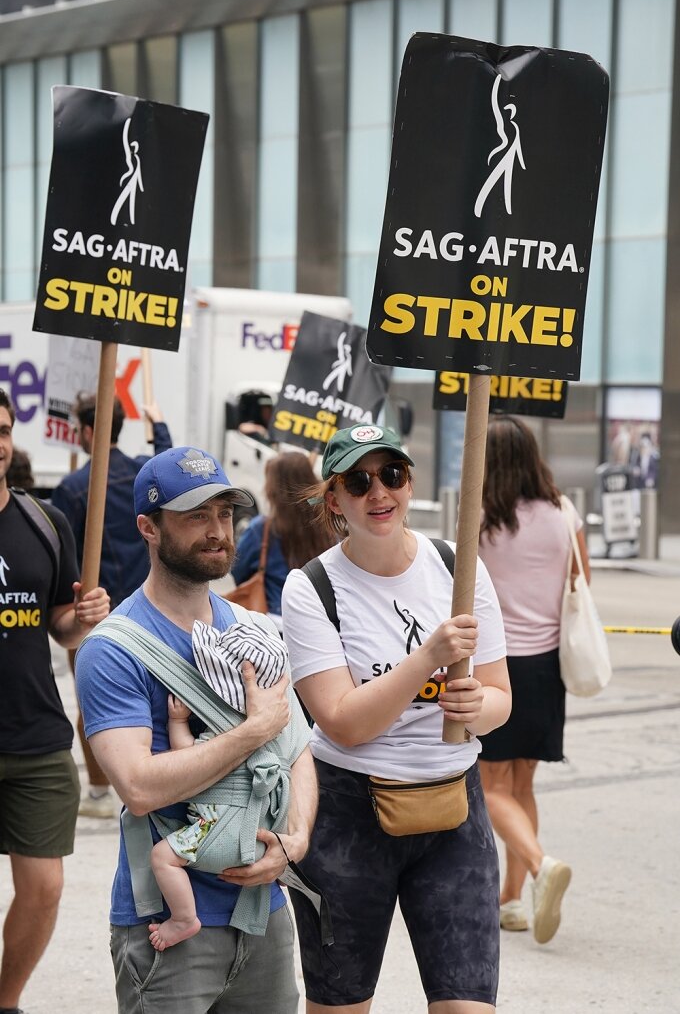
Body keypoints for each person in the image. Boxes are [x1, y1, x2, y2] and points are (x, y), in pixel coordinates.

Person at [74, 445, 317, 1014]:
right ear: (148, 528)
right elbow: (138, 786)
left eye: (225, 514)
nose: (217, 531)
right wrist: (252, 730)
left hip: (264, 914)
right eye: (195, 516)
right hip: (165, 926)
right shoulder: (112, 649)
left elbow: (297, 748)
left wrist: (296, 839)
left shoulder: (255, 629)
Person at [281, 423, 511, 1013]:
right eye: (358, 481)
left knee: (468, 1007)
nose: (378, 492)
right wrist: (427, 659)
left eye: (392, 475)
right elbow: (342, 721)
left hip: (453, 809)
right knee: (340, 1006)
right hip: (347, 814)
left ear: (409, 484)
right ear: (334, 500)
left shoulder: (458, 566)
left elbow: (499, 698)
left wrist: (476, 708)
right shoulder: (311, 588)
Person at [0, 388, 110, 1014]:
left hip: (36, 739)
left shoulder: (45, 523)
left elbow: (60, 626)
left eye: (4, 428)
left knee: (43, 888)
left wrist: (82, 616)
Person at [477, 415, 590, 944]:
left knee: (489, 784)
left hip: (499, 664)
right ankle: (512, 901)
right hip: (548, 667)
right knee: (522, 784)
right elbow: (581, 580)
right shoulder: (564, 512)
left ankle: (541, 867)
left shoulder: (478, 518)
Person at [51, 392, 172, 818]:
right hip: (149, 605)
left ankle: (103, 790)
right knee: (153, 701)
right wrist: (158, 425)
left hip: (97, 613)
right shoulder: (143, 471)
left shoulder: (72, 487)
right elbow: (173, 468)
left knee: (96, 704)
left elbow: (64, 558)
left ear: (87, 431)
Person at [147, 618, 295, 952]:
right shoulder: (279, 733)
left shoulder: (222, 735)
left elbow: (186, 756)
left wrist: (177, 720)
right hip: (264, 837)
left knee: (162, 857)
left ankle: (184, 918)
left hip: (217, 835)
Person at [230, 451, 336, 627]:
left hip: (274, 623)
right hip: (320, 620)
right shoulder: (329, 525)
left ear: (273, 489)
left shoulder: (261, 529)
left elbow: (237, 569)